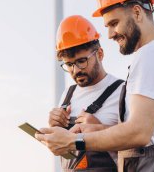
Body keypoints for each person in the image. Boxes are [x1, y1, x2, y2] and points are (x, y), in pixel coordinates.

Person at [36, 0, 154, 172]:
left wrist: (75, 141)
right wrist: (99, 130)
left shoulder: (152, 54)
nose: (110, 34)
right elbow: (153, 133)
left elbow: (139, 133)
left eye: (114, 23)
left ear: (137, 12)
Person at [51, 15, 124, 172]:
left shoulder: (122, 92)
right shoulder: (67, 95)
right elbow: (66, 152)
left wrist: (99, 129)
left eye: (81, 61)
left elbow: (138, 148)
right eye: (69, 65)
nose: (76, 70)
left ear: (100, 54)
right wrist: (55, 130)